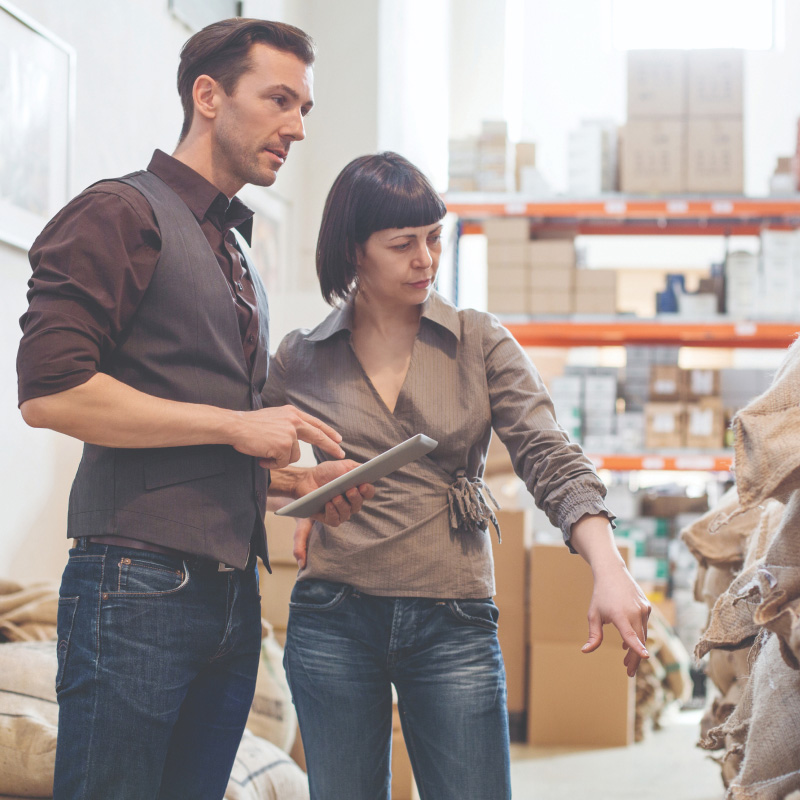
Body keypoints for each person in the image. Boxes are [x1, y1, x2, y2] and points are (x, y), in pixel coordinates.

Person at [16, 18, 373, 800]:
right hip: (135, 585)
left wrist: (288, 488)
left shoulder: (236, 251)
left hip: (228, 594)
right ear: (208, 96)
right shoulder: (117, 212)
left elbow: (187, 436)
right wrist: (240, 428)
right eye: (280, 99)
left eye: (305, 107)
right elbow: (51, 392)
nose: (298, 127)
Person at [262, 152, 653, 800]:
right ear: (354, 252)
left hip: (452, 618)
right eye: (403, 244)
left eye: (435, 238)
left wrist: (607, 566)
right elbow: (256, 466)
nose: (426, 259)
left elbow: (550, 456)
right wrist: (301, 493)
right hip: (333, 616)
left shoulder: (478, 340)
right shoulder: (301, 357)